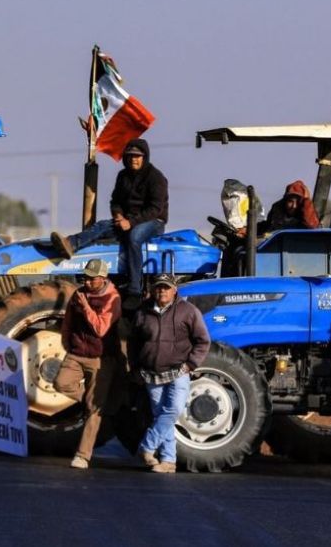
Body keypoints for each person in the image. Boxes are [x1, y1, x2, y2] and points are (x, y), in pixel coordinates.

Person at [50, 138, 167, 302]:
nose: (134, 159)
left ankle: (135, 288)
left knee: (134, 237)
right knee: (102, 226)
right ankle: (70, 244)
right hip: (127, 219)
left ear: (144, 157)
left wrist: (131, 223)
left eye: (138, 156)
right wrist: (118, 216)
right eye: (131, 156)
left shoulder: (156, 178)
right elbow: (115, 201)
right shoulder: (123, 176)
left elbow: (155, 209)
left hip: (153, 221)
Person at [128, 273, 210, 474]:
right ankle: (168, 461)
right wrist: (136, 367)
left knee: (173, 410)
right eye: (158, 287)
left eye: (166, 287)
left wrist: (190, 365)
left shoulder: (188, 311)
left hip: (178, 371)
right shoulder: (143, 312)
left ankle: (147, 447)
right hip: (151, 374)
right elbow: (133, 343)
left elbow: (203, 340)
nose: (162, 291)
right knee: (160, 416)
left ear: (174, 290)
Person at [52, 259, 122, 469]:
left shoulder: (113, 298)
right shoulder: (78, 294)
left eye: (92, 278)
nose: (88, 281)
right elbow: (69, 320)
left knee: (94, 412)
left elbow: (101, 328)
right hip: (76, 353)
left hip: (100, 358)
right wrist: (66, 341)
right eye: (86, 277)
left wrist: (86, 307)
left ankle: (83, 455)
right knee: (61, 383)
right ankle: (96, 404)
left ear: (103, 278)